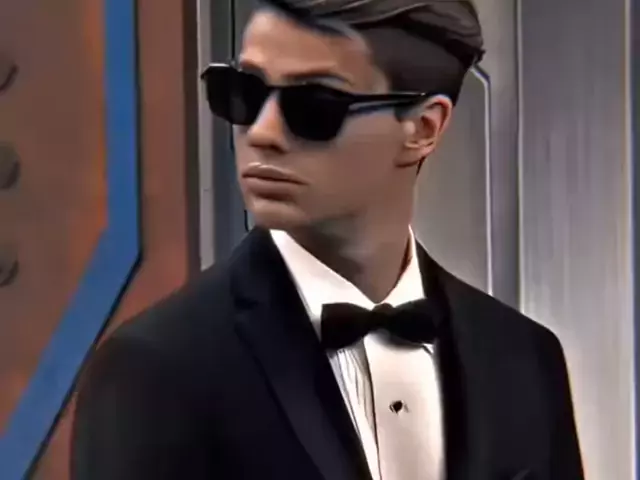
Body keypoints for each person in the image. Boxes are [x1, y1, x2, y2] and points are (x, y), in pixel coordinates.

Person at [71, 0, 584, 479]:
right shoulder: (155, 368)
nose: (262, 133)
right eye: (244, 93)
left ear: (423, 128)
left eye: (315, 105)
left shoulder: (525, 357)